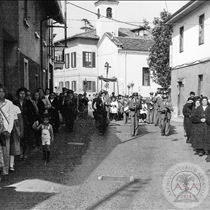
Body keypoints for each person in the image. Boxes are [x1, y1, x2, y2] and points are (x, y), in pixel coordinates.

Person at [13, 87, 36, 160]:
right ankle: (20, 153)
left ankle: (25, 154)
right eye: (20, 93)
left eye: (23, 94)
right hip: (18, 122)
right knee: (19, 138)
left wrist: (33, 122)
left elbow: (32, 113)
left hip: (27, 122)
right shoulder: (15, 103)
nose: (22, 95)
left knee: (27, 138)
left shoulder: (29, 103)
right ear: (18, 94)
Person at [0, 84, 14, 180]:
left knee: (5, 151)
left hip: (5, 130)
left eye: (3, 91)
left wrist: (9, 130)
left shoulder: (9, 103)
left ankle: (5, 171)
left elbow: (12, 117)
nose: (1, 93)